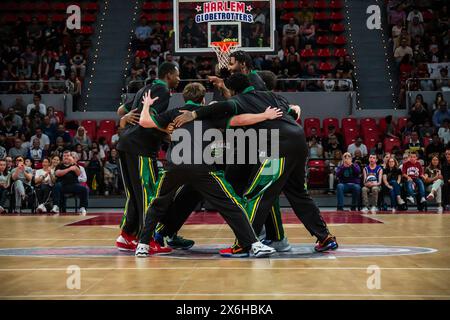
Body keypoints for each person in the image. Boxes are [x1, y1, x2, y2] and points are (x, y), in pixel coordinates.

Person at [173, 73, 337, 254]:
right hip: (299, 142)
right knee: (299, 193)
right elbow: (293, 111)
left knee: (255, 194)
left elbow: (222, 106)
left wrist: (194, 113)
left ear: (234, 90)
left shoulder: (239, 101)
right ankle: (325, 237)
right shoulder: (271, 96)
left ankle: (245, 244)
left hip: (278, 147)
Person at [136, 83, 278, 258]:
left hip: (175, 167)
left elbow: (144, 122)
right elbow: (240, 120)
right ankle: (255, 244)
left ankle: (143, 244)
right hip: (201, 168)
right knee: (231, 204)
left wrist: (146, 105)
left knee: (157, 203)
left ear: (184, 98)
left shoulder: (174, 113)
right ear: (203, 99)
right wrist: (264, 115)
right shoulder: (208, 115)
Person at [115, 62, 182, 251]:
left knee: (134, 195)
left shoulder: (145, 88)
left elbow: (121, 111)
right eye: (177, 75)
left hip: (126, 144)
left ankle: (127, 235)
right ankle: (148, 240)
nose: (179, 78)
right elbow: (148, 120)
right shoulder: (162, 91)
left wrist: (124, 120)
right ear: (168, 75)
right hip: (140, 147)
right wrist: (169, 132)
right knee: (147, 193)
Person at [52, 151, 88, 215]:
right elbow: (58, 173)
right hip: (62, 185)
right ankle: (56, 206)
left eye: (67, 156)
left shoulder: (74, 165)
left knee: (84, 189)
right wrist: (69, 169)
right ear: (62, 157)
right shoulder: (59, 165)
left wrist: (74, 164)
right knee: (56, 186)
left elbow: (79, 173)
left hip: (73, 185)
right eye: (64, 156)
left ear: (70, 157)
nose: (66, 157)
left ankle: (82, 207)